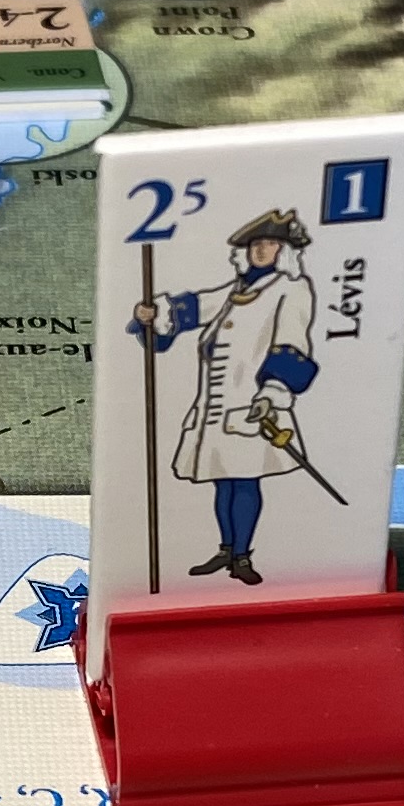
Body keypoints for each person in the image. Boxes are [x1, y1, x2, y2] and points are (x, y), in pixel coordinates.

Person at [127, 209, 318, 586]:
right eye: (256, 244)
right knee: (223, 482)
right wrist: (153, 313)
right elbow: (194, 308)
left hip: (254, 407)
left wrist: (272, 392)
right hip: (215, 408)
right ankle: (227, 549)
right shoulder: (236, 291)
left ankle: (243, 556)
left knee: (245, 482)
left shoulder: (291, 289)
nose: (261, 250)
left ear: (283, 251)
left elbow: (292, 341)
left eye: (270, 244)